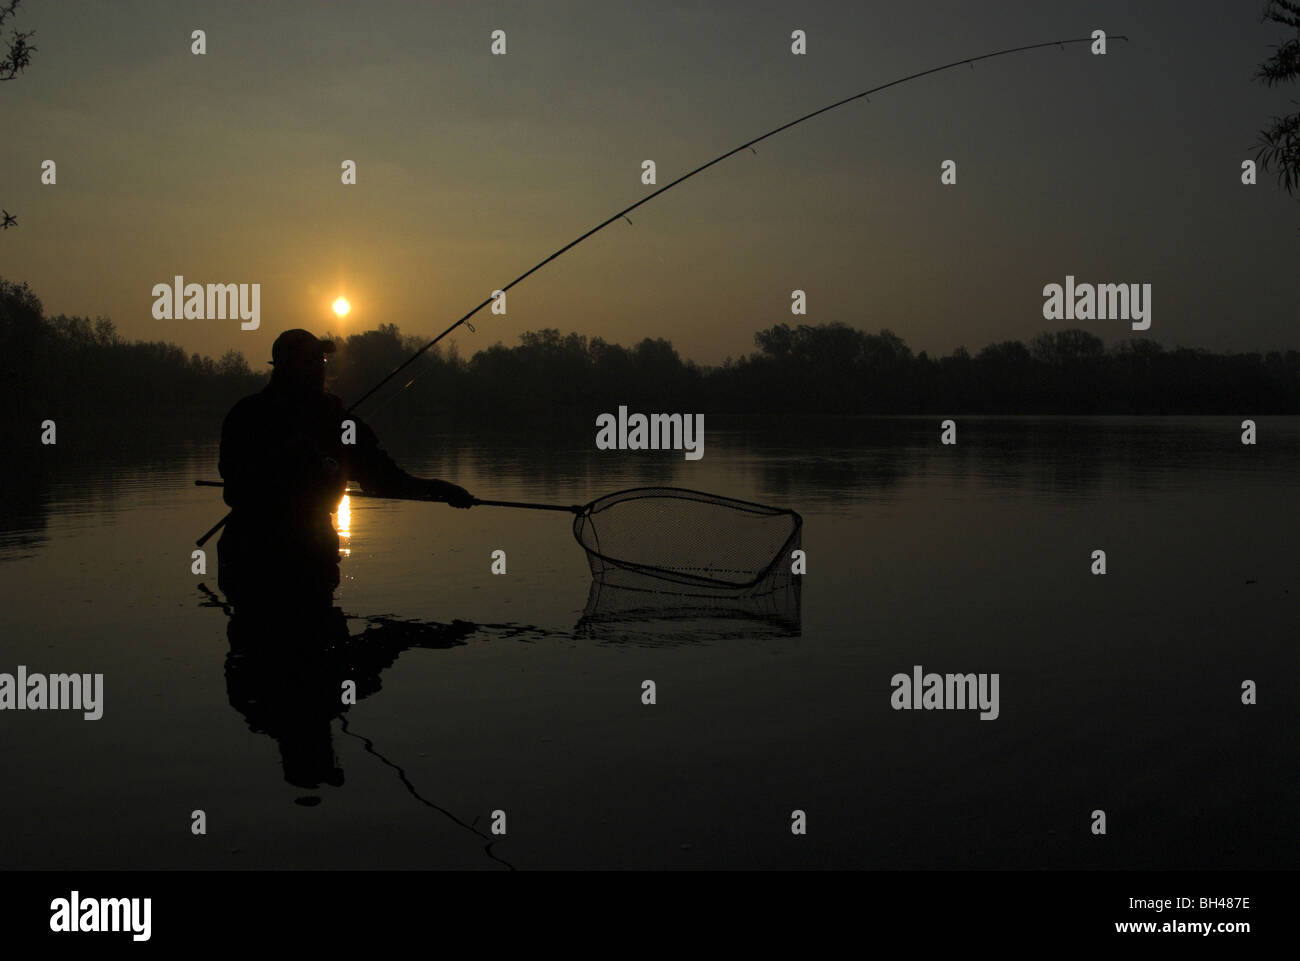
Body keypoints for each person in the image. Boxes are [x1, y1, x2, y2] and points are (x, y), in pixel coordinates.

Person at [217, 328, 472, 613]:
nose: (318, 368)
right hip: (254, 556)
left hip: (309, 554)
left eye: (321, 361)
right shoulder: (249, 416)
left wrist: (439, 489)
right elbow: (235, 483)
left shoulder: (340, 423)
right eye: (309, 361)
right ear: (284, 367)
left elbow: (386, 479)